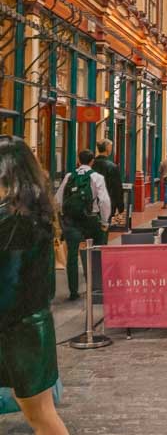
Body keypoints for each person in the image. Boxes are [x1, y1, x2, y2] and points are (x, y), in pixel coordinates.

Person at [0, 136, 70, 435]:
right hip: (30, 327)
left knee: (40, 414)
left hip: (17, 331)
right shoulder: (33, 213)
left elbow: (10, 286)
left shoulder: (13, 221)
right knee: (39, 412)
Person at [55, 149, 111, 301]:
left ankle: (73, 292)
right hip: (90, 220)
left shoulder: (69, 176)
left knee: (72, 256)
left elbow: (58, 199)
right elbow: (104, 201)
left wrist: (62, 217)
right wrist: (105, 222)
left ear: (78, 161)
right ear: (92, 161)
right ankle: (96, 285)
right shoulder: (96, 177)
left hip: (71, 221)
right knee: (98, 248)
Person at [91, 138, 124, 226]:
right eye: (111, 147)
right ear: (108, 149)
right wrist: (120, 207)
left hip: (91, 203)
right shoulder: (112, 167)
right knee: (104, 229)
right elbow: (117, 188)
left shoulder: (91, 164)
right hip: (107, 203)